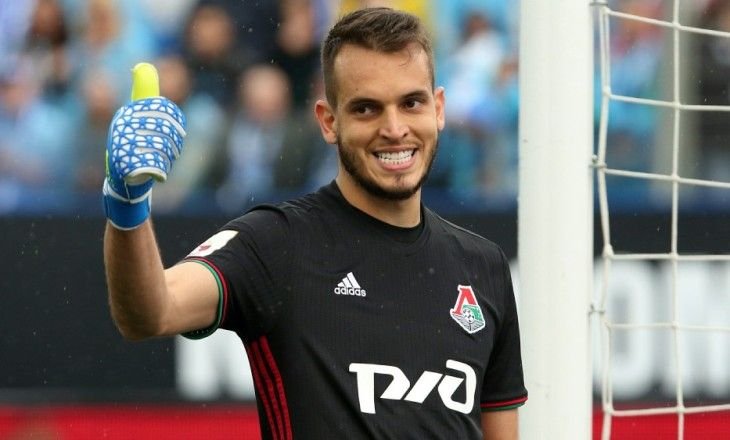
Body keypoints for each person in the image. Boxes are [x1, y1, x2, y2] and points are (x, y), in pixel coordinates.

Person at [103, 7, 527, 439]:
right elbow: (150, 312)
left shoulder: (484, 267)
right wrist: (127, 203)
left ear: (438, 108)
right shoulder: (276, 243)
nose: (395, 128)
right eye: (367, 109)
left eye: (411, 103)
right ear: (329, 121)